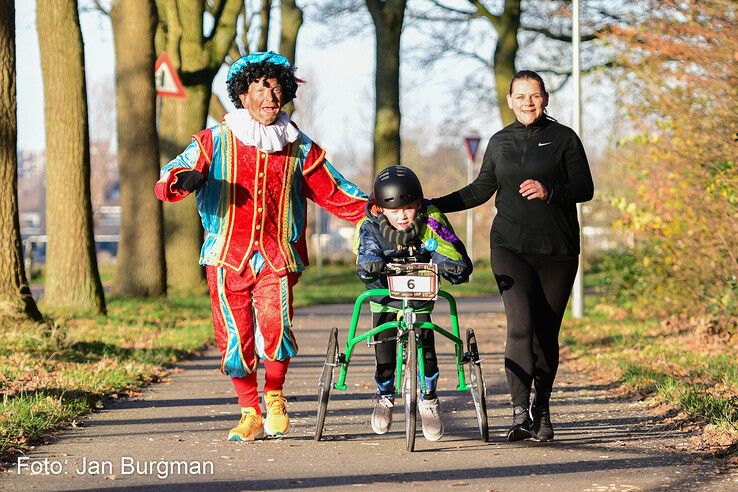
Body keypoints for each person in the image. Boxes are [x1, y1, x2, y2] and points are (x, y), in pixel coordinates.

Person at [155, 51, 367, 441]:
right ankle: (248, 409)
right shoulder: (213, 141)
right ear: (243, 95)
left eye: (276, 87)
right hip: (225, 255)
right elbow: (169, 177)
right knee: (234, 335)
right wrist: (183, 180)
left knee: (276, 327)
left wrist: (383, 209)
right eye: (260, 87)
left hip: (276, 254)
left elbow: (336, 193)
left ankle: (275, 397)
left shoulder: (299, 147)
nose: (270, 95)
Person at [432, 70, 594, 442]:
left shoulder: (564, 139)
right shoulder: (500, 141)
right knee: (520, 324)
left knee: (546, 334)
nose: (527, 102)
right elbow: (480, 189)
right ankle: (520, 413)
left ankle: (543, 409)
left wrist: (550, 190)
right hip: (510, 246)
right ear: (510, 100)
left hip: (558, 250)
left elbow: (584, 187)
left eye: (534, 95)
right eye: (520, 96)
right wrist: (430, 205)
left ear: (546, 98)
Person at [355, 165, 472, 441]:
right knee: (384, 351)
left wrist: (450, 265)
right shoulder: (370, 225)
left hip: (419, 296)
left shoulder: (431, 220)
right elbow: (366, 251)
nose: (403, 216)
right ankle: (384, 396)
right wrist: (370, 264)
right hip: (384, 297)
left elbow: (448, 247)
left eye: (408, 208)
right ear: (381, 209)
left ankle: (429, 398)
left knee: (426, 347)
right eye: (395, 211)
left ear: (418, 204)